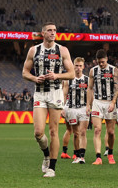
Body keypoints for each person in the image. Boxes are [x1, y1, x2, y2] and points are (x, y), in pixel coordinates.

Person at [22, 21, 75, 178]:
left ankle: (52, 167)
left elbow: (71, 73)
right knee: (38, 132)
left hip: (55, 93)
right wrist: (34, 78)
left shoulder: (62, 50)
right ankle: (46, 154)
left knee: (53, 131)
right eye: (50, 30)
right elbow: (25, 72)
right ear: (43, 33)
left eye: (55, 30)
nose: (53, 32)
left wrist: (56, 75)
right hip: (40, 93)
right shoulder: (34, 50)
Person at [86, 49, 118, 165]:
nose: (101, 64)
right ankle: (98, 157)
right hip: (97, 102)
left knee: (110, 132)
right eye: (99, 62)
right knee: (97, 130)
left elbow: (117, 88)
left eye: (103, 62)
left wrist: (113, 102)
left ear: (107, 59)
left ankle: (110, 154)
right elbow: (90, 88)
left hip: (110, 102)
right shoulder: (92, 71)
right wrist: (88, 105)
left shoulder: (113, 70)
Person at [63, 57, 89, 164]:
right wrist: (63, 107)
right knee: (76, 133)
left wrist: (89, 106)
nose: (78, 68)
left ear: (83, 67)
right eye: (76, 65)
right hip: (72, 108)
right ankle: (77, 155)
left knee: (83, 132)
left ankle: (82, 156)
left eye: (80, 66)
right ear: (73, 66)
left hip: (83, 108)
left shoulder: (87, 79)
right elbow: (64, 93)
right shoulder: (68, 80)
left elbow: (90, 94)